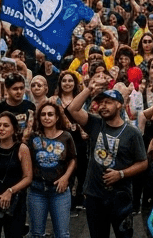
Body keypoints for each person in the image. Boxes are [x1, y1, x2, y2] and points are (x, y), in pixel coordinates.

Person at [62, 74, 148, 238]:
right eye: (100, 103)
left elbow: (143, 163)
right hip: (95, 196)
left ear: (119, 105)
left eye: (107, 102)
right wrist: (90, 88)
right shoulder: (95, 124)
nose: (102, 106)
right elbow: (72, 109)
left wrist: (121, 174)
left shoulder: (132, 133)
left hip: (120, 197)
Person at [25, 100, 76, 238]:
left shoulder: (66, 136)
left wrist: (66, 177)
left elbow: (73, 159)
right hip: (36, 190)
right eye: (43, 114)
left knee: (62, 234)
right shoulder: (33, 136)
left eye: (50, 114)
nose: (46, 117)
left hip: (59, 190)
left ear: (57, 117)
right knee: (36, 234)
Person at [0, 111, 32, 238]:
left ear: (14, 129)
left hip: (15, 201)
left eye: (6, 125)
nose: (1, 129)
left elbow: (28, 177)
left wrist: (10, 191)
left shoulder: (22, 148)